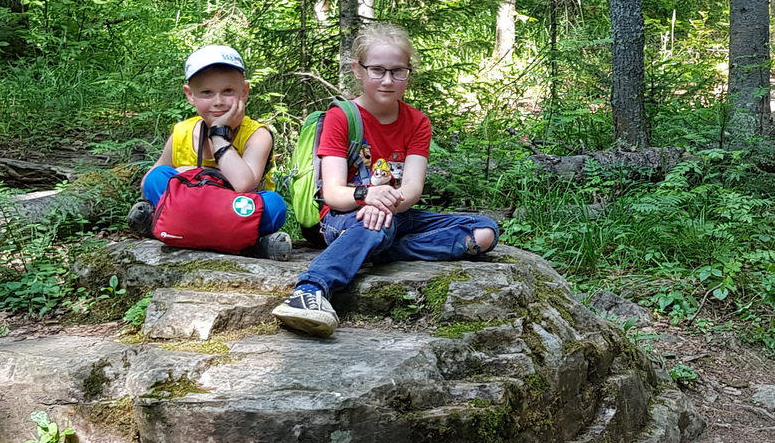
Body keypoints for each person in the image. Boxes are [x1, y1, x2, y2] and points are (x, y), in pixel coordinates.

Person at [274, 22, 500, 336]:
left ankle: (379, 246)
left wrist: (387, 204)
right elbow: (333, 193)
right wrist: (368, 197)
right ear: (358, 70)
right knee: (375, 223)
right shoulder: (341, 117)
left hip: (395, 214)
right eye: (378, 70)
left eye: (398, 71)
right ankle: (310, 290)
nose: (388, 80)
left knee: (483, 232)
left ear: (409, 71)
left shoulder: (417, 122)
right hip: (343, 217)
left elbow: (412, 189)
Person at [129, 44, 292, 260]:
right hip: (195, 210)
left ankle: (169, 229)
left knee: (273, 204)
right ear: (190, 95)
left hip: (233, 212)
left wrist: (218, 136)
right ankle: (250, 245)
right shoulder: (183, 132)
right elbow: (148, 181)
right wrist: (192, 175)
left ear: (244, 91)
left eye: (228, 91)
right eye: (207, 92)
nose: (218, 101)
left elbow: (244, 184)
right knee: (158, 179)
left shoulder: (257, 135)